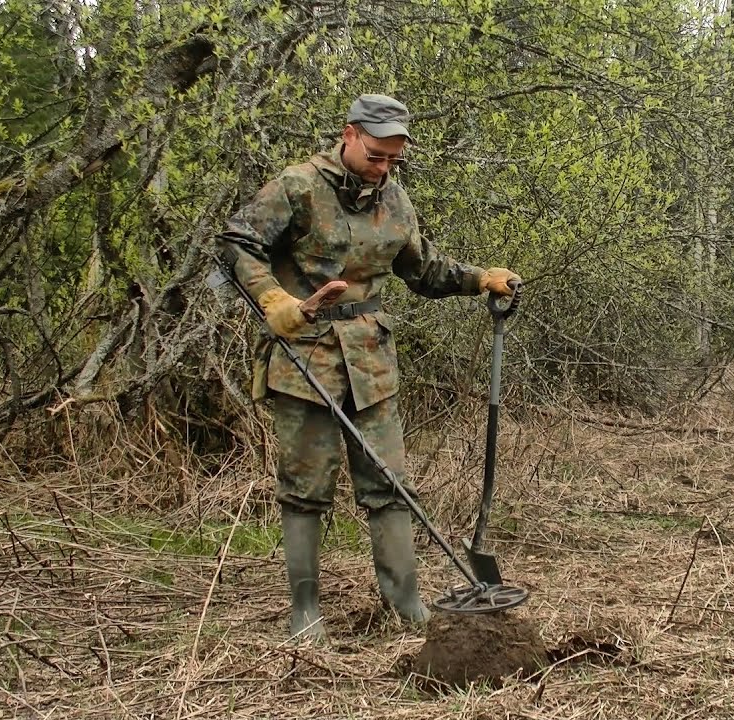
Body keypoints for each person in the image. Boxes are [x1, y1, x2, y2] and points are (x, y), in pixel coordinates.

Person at [214, 93, 521, 641]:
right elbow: (236, 244)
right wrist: (273, 300)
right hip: (304, 353)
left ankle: (406, 606)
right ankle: (305, 613)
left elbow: (422, 270)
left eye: (393, 160)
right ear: (350, 134)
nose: (383, 168)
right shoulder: (298, 185)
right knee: (305, 486)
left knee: (390, 484)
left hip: (370, 359)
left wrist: (479, 278)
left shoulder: (394, 199)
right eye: (376, 155)